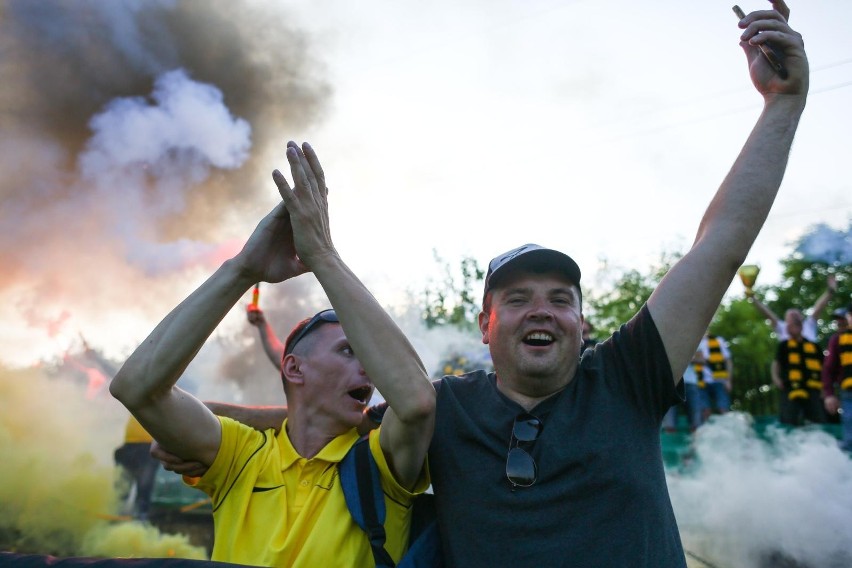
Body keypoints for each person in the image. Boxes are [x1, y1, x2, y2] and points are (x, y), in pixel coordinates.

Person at [155, 3, 809, 565]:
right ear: (485, 327)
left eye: (561, 298)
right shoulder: (449, 408)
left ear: (583, 326)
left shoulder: (627, 376)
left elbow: (719, 248)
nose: (541, 311)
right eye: (517, 299)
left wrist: (783, 105)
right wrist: (199, 424)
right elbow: (331, 415)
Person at [111, 141, 435, 567]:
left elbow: (415, 402)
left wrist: (322, 255)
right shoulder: (241, 454)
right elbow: (137, 389)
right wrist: (241, 269)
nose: (369, 366)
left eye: (367, 354)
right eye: (346, 350)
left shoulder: (379, 460)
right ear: (294, 368)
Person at [771, 309, 825, 426]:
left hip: (812, 389)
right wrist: (776, 379)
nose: (788, 328)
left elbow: (823, 368)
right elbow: (776, 364)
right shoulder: (784, 346)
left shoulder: (813, 346)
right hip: (790, 388)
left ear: (800, 326)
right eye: (787, 324)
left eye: (791, 324)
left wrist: (824, 389)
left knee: (817, 421)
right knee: (789, 420)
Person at [749, 273, 836, 341]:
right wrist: (752, 298)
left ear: (801, 318)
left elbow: (819, 307)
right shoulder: (782, 328)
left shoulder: (809, 325)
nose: (794, 316)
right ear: (787, 321)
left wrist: (830, 291)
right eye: (791, 315)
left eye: (796, 314)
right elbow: (767, 314)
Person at [113, 414, 160, 521]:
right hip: (131, 445)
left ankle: (140, 518)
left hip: (147, 447)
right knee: (122, 489)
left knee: (143, 487)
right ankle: (117, 517)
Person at [822, 304, 852, 451]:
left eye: (843, 319)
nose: (839, 323)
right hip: (848, 393)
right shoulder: (836, 340)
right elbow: (828, 369)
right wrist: (829, 395)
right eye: (838, 320)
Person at [662, 349, 709, 432]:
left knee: (696, 419)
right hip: (670, 382)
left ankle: (696, 442)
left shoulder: (693, 339)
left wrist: (684, 358)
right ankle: (670, 441)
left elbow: (702, 361)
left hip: (691, 382)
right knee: (669, 422)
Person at [699, 331, 733, 416]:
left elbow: (728, 360)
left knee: (723, 408)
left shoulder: (718, 340)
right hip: (700, 381)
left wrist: (728, 380)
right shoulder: (694, 342)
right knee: (705, 410)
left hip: (719, 380)